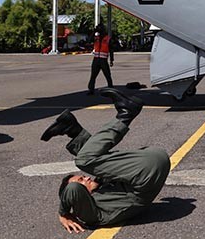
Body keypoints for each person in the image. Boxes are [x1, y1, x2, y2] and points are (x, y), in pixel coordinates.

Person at [41, 88, 170, 233]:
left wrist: (76, 136)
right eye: (81, 181)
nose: (86, 178)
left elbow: (99, 159)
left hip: (150, 162)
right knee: (84, 160)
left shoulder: (102, 188)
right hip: (146, 177)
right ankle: (125, 114)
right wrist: (63, 213)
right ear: (81, 198)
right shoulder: (92, 215)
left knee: (95, 159)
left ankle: (72, 130)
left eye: (82, 177)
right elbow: (72, 189)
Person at [87, 23, 114, 95]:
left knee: (107, 75)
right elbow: (89, 41)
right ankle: (91, 90)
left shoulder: (108, 38)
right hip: (96, 59)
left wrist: (111, 60)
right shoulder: (96, 38)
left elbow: (111, 50)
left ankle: (111, 88)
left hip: (103, 60)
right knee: (93, 75)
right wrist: (93, 32)